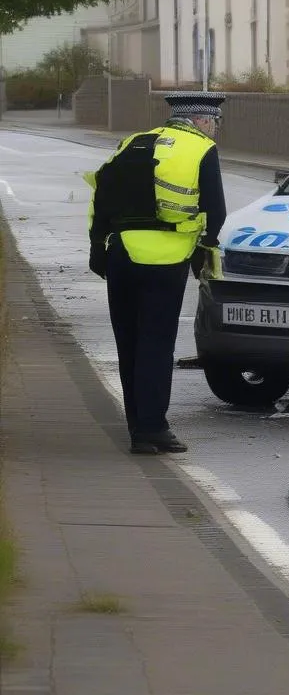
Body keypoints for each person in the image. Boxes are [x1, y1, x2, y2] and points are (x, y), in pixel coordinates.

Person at [86, 92, 228, 454]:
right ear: (202, 121)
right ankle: (153, 428)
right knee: (155, 343)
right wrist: (204, 255)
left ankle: (137, 427)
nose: (215, 130)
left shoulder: (133, 142)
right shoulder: (201, 150)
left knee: (129, 342)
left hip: (120, 254)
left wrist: (98, 248)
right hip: (165, 260)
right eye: (215, 123)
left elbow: (101, 196)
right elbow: (216, 212)